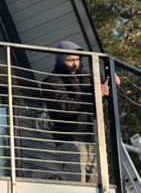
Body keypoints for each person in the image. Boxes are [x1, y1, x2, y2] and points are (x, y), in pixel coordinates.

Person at [43, 40, 111, 182]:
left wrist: (113, 83)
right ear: (61, 60)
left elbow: (104, 90)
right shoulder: (50, 81)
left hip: (91, 139)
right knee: (76, 185)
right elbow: (64, 108)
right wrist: (94, 95)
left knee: (96, 186)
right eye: (70, 60)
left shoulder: (85, 78)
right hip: (69, 140)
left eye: (77, 59)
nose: (75, 63)